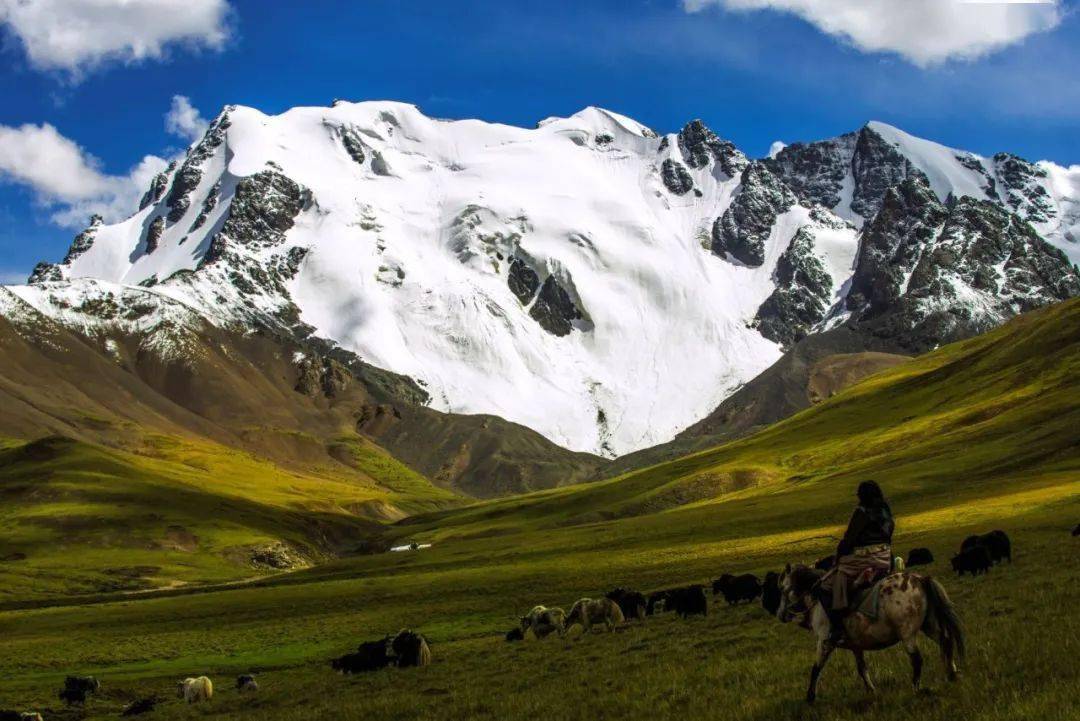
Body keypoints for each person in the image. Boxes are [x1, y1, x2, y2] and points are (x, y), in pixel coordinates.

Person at [819, 480, 894, 644]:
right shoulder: (885, 508)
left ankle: (838, 627)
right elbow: (890, 531)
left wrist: (839, 556)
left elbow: (849, 539)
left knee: (829, 582)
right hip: (885, 557)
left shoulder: (861, 512)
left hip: (864, 558)